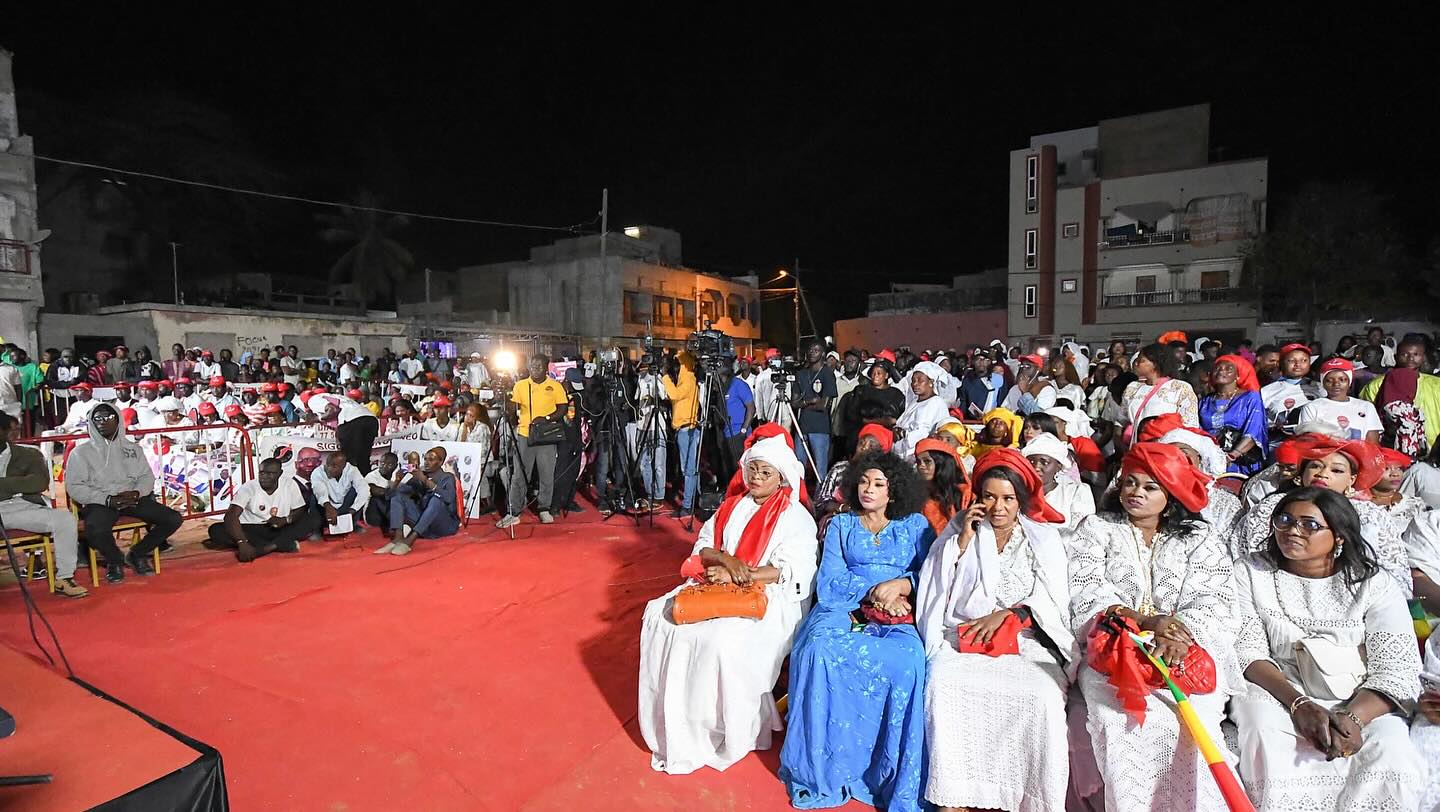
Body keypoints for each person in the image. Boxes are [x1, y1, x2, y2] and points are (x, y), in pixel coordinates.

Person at [1230, 488, 1426, 811]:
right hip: (1279, 692)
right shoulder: (1251, 572)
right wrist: (1299, 705)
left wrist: (1352, 718)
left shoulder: (1373, 584)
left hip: (1360, 698)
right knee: (1259, 723)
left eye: (1309, 525)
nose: (1292, 530)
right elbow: (1248, 653)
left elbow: (1396, 669)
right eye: (1284, 520)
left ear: (1338, 538)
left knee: (1392, 751)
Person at [1068, 442, 1237, 812]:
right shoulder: (1096, 528)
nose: (1135, 493)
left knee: (1195, 723)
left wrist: (1178, 634)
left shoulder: (1199, 538)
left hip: (1186, 649)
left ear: (1171, 492)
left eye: (1149, 487)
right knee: (1122, 723)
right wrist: (1143, 622)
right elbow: (1085, 591)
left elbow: (1215, 598)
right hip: (1114, 648)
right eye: (1130, 483)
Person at [638, 433, 818, 774]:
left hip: (766, 597)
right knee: (659, 619)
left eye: (766, 473)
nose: (756, 478)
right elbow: (702, 546)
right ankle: (680, 722)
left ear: (781, 477)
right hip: (716, 582)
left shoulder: (795, 516)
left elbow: (791, 572)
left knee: (721, 641)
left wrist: (742, 574)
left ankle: (726, 728)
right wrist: (722, 561)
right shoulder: (731, 505)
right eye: (752, 470)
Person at [916, 447, 1074, 812]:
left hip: (1026, 638)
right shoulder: (961, 530)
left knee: (1042, 697)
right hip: (963, 634)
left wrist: (1012, 614)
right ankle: (955, 796)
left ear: (1021, 500)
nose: (998, 507)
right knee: (944, 683)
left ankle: (1023, 797)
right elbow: (937, 590)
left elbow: (1053, 601)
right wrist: (963, 541)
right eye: (990, 496)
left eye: (1008, 498)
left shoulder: (1043, 538)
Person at [779, 451, 932, 812]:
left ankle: (887, 775)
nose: (868, 489)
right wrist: (876, 593)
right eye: (864, 481)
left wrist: (903, 586)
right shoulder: (841, 526)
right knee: (817, 651)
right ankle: (824, 769)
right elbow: (830, 582)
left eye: (879, 484)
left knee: (908, 662)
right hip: (844, 606)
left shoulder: (916, 526)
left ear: (893, 491)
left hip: (901, 612)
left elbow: (932, 574)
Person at [1237, 438, 1411, 593]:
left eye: (1336, 470)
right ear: (1301, 474)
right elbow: (1248, 555)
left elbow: (1393, 572)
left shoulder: (1371, 515)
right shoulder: (1271, 507)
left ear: (1352, 479)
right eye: (1315, 466)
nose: (1323, 473)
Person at [64, 404, 184, 583]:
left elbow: (146, 477)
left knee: (173, 518)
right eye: (97, 419)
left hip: (131, 498)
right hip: (101, 500)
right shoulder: (80, 453)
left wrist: (137, 492)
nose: (102, 423)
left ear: (118, 420)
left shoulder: (133, 449)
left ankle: (137, 553)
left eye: (108, 418)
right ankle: (114, 560)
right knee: (95, 529)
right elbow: (74, 487)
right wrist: (106, 499)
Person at [0, 413, 87, 597]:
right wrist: (17, 483)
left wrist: (3, 485)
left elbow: (38, 482)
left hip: (22, 507)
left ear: (4, 432)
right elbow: (27, 482)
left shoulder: (29, 454)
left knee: (65, 520)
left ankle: (64, 578)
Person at [498, 354, 567, 528]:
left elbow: (563, 408)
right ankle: (514, 511)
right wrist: (507, 404)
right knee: (520, 474)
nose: (535, 368)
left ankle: (544, 508)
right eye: (532, 365)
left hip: (547, 435)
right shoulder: (521, 385)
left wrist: (546, 418)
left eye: (539, 365)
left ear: (546, 367)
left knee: (546, 473)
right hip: (525, 434)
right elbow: (513, 408)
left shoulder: (555, 386)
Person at [205, 458, 309, 561]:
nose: (264, 477)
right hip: (251, 527)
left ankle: (264, 548)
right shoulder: (249, 487)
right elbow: (230, 516)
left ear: (279, 473)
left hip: (278, 526)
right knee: (216, 530)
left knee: (308, 519)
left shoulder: (289, 484)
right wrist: (242, 542)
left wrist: (285, 520)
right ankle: (278, 544)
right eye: (262, 473)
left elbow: (299, 508)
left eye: (270, 474)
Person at [375, 446, 460, 556]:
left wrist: (425, 480)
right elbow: (389, 496)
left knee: (436, 500)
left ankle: (409, 541)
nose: (427, 463)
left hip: (443, 527)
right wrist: (397, 481)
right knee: (398, 495)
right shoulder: (419, 477)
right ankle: (398, 538)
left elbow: (448, 498)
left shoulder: (447, 477)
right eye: (425, 459)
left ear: (440, 462)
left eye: (431, 460)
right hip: (424, 527)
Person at [1362, 336, 1440, 455]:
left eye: (1416, 354)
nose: (1410, 358)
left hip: (1433, 450)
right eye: (1404, 354)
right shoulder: (1376, 385)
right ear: (1396, 356)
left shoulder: (1436, 385)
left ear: (1423, 357)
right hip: (1390, 450)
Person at [1200, 353, 1270, 475]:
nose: (1222, 371)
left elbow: (1254, 431)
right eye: (1217, 368)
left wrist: (1231, 456)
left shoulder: (1250, 398)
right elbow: (1198, 430)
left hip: (1239, 461)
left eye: (1228, 369)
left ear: (1238, 375)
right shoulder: (1205, 402)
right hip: (1209, 460)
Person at [1119, 342, 1199, 437]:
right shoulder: (1132, 387)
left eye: (1141, 360)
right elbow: (1120, 422)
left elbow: (1190, 426)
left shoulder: (1180, 388)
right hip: (1135, 449)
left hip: (1166, 447)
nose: (1136, 363)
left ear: (1155, 364)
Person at [1022, 432, 1096, 532]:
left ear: (1059, 466)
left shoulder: (1076, 492)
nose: (1036, 467)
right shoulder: (1018, 492)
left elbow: (1083, 532)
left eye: (1045, 462)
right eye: (1031, 462)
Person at [1298, 357, 1382, 444]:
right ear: (1323, 383)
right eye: (1329, 380)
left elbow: (1373, 444)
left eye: (1342, 380)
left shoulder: (1366, 407)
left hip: (1360, 456)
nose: (1336, 384)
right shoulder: (1312, 407)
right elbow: (1308, 441)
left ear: (1349, 381)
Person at [662, 353, 701, 518]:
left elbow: (675, 395)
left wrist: (664, 377)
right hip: (684, 429)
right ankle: (696, 500)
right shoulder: (685, 380)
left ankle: (687, 507)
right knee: (691, 468)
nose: (675, 367)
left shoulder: (689, 380)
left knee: (689, 470)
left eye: (678, 363)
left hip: (688, 430)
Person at [792, 339, 838, 480]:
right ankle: (799, 497)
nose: (812, 353)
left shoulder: (827, 373)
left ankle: (820, 499)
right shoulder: (801, 374)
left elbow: (824, 405)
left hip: (820, 428)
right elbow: (794, 402)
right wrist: (810, 401)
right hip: (802, 426)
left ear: (823, 354)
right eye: (810, 350)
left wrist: (803, 403)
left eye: (816, 350)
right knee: (798, 466)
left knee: (820, 469)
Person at [1261, 343, 1324, 438]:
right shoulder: (1267, 391)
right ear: (1281, 363)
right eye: (1291, 360)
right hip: (1278, 442)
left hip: (1313, 442)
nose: (1298, 364)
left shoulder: (1320, 388)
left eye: (1304, 360)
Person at [893, 361, 953, 459]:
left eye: (920, 380)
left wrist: (903, 433)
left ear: (931, 382)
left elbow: (923, 432)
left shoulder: (935, 402)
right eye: (913, 381)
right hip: (901, 451)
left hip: (918, 454)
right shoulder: (914, 402)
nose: (915, 384)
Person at [915, 437, 970, 534]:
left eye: (927, 461)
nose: (921, 466)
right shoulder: (917, 493)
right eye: (918, 462)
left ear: (941, 463)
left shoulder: (964, 493)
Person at [309, 451, 370, 534]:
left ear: (343, 466)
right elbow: (320, 491)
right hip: (326, 508)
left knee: (356, 491)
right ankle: (317, 530)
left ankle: (352, 524)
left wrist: (353, 510)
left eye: (334, 466)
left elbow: (364, 490)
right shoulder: (317, 473)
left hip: (346, 507)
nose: (329, 468)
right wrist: (328, 507)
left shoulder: (352, 470)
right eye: (328, 464)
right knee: (314, 497)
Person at [336, 390, 381, 475]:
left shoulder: (342, 404)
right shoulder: (358, 407)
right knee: (363, 456)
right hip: (370, 421)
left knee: (351, 457)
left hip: (354, 423)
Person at [956, 349, 1009, 420]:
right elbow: (963, 404)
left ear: (989, 362)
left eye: (984, 359)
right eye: (978, 359)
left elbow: (1002, 402)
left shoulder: (997, 378)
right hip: (973, 422)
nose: (981, 362)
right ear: (973, 362)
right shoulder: (967, 381)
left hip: (993, 421)